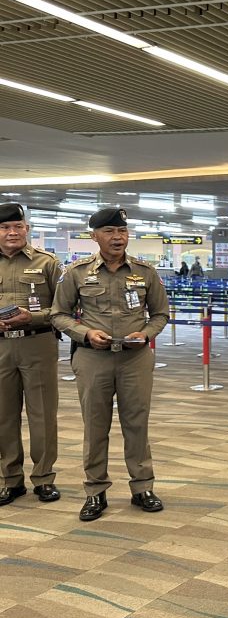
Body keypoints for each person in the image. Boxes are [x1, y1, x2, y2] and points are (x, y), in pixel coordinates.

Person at [51, 208, 170, 522]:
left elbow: (161, 314)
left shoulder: (145, 271)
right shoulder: (76, 272)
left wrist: (145, 334)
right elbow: (58, 314)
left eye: (122, 231)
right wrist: (85, 333)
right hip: (93, 358)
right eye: (109, 232)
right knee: (95, 426)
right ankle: (95, 490)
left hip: (135, 359)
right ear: (94, 236)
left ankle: (142, 487)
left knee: (137, 424)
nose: (117, 238)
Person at [0, 203, 62, 506]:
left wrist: (33, 317)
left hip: (38, 343)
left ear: (27, 229)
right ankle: (11, 480)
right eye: (4, 227)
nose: (12, 232)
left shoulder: (48, 263)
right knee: (3, 415)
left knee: (42, 414)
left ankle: (44, 478)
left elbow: (64, 309)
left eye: (17, 226)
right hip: (1, 347)